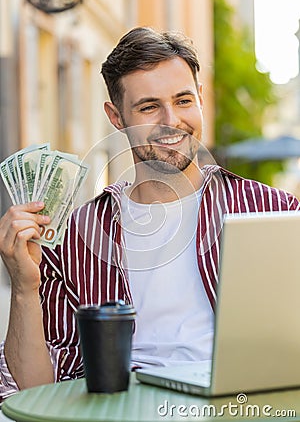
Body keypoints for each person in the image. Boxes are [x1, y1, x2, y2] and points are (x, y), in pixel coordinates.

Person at [0, 26, 299, 401]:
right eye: (148, 106)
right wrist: (25, 288)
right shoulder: (77, 234)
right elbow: (36, 389)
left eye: (184, 100)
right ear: (116, 116)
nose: (171, 120)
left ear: (201, 99)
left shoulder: (273, 211)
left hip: (245, 403)